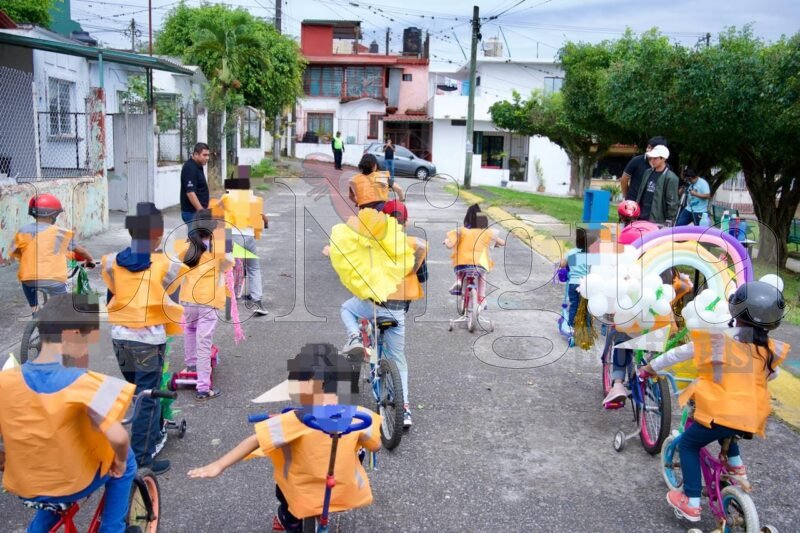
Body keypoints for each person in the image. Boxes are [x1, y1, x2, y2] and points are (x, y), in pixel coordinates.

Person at [188, 343, 382, 532]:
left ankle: (288, 520)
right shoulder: (359, 417)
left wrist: (219, 465)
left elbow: (255, 440)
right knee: (360, 453)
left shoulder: (295, 420)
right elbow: (376, 445)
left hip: (301, 489)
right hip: (343, 488)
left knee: (286, 490)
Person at [641, 281, 789, 523]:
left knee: (689, 444)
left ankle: (691, 502)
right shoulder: (769, 350)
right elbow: (772, 375)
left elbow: (678, 354)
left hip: (719, 412)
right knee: (729, 429)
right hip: (751, 415)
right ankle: (737, 468)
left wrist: (650, 367)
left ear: (736, 312)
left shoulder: (719, 341)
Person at [0, 293, 137, 533]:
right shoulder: (90, 383)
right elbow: (119, 437)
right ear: (72, 334)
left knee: (49, 479)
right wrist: (120, 460)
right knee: (128, 461)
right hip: (72, 482)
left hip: (24, 481)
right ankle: (112, 528)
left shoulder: (5, 380)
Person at [101, 202, 189, 475]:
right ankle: (142, 460)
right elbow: (172, 293)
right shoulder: (165, 264)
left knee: (137, 393)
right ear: (157, 236)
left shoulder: (112, 261)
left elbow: (112, 293)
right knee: (146, 399)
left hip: (120, 338)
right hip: (149, 341)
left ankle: (146, 440)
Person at [340, 200, 427, 428]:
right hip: (398, 311)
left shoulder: (372, 243)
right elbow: (423, 277)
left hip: (373, 306)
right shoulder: (415, 245)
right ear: (406, 222)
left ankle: (355, 337)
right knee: (398, 358)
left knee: (347, 308)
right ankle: (404, 409)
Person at [174, 210, 234, 400]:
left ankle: (191, 365)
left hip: (187, 298)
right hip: (208, 300)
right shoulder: (220, 247)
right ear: (213, 228)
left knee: (190, 331)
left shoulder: (186, 246)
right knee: (204, 342)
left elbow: (177, 266)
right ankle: (203, 387)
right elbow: (229, 263)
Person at [11, 194, 94, 313]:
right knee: (63, 306)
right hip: (54, 281)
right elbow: (80, 251)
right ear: (53, 215)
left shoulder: (23, 231)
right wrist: (89, 260)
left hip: (30, 280)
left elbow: (16, 252)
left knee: (26, 281)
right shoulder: (60, 232)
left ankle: (35, 309)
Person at [209, 178, 269, 316]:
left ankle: (222, 298)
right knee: (254, 268)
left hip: (233, 236)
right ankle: (258, 301)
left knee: (226, 267)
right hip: (249, 238)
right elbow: (263, 219)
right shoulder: (254, 199)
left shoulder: (227, 197)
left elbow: (215, 213)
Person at [444, 210, 506, 303]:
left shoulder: (461, 231)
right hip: (480, 264)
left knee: (460, 269)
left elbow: (449, 245)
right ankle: (481, 297)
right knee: (482, 276)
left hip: (463, 263)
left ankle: (459, 281)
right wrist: (491, 243)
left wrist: (446, 241)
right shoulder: (487, 232)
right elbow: (502, 243)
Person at [634, 145, 681, 224]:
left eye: (655, 158)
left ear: (663, 158)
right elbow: (640, 193)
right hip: (641, 216)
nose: (652, 160)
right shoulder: (648, 172)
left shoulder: (671, 178)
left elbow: (672, 202)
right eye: (651, 158)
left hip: (657, 219)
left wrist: (669, 221)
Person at [559, 228, 594, 331]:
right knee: (586, 306)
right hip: (586, 284)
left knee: (574, 305)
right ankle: (587, 328)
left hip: (573, 283)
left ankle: (571, 327)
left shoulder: (571, 253)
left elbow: (562, 264)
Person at [620, 136, 668, 201]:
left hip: (651, 203)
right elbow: (624, 179)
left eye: (652, 148)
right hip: (633, 201)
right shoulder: (636, 160)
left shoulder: (665, 167)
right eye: (648, 147)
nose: (648, 150)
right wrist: (627, 197)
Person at [180, 142, 211, 224]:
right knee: (198, 232)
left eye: (208, 155)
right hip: (192, 213)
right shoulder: (190, 168)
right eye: (204, 155)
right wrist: (201, 211)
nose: (207, 158)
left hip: (196, 212)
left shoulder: (198, 166)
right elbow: (190, 193)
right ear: (196, 154)